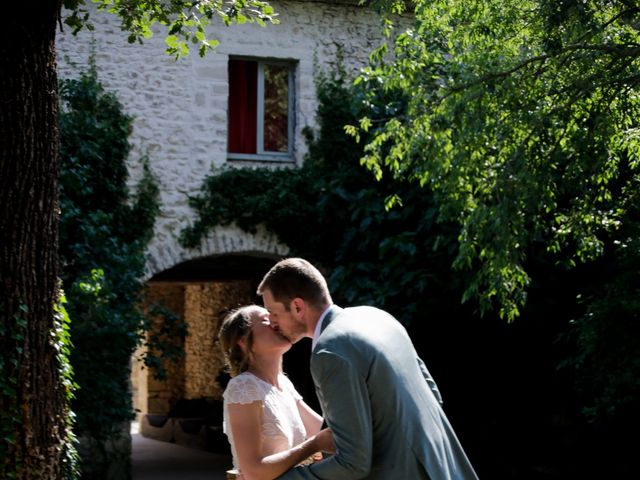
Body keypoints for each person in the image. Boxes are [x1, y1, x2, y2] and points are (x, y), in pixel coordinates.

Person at [257, 257, 479, 480]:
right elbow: (432, 393)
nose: (272, 323)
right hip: (446, 467)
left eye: (274, 313)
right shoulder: (377, 317)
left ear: (297, 306)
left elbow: (353, 463)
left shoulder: (329, 353)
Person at [218, 305, 335, 480]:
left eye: (276, 317)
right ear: (243, 342)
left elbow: (324, 431)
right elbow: (253, 472)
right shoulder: (243, 386)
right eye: (267, 321)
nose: (276, 322)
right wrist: (313, 445)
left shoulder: (284, 384)